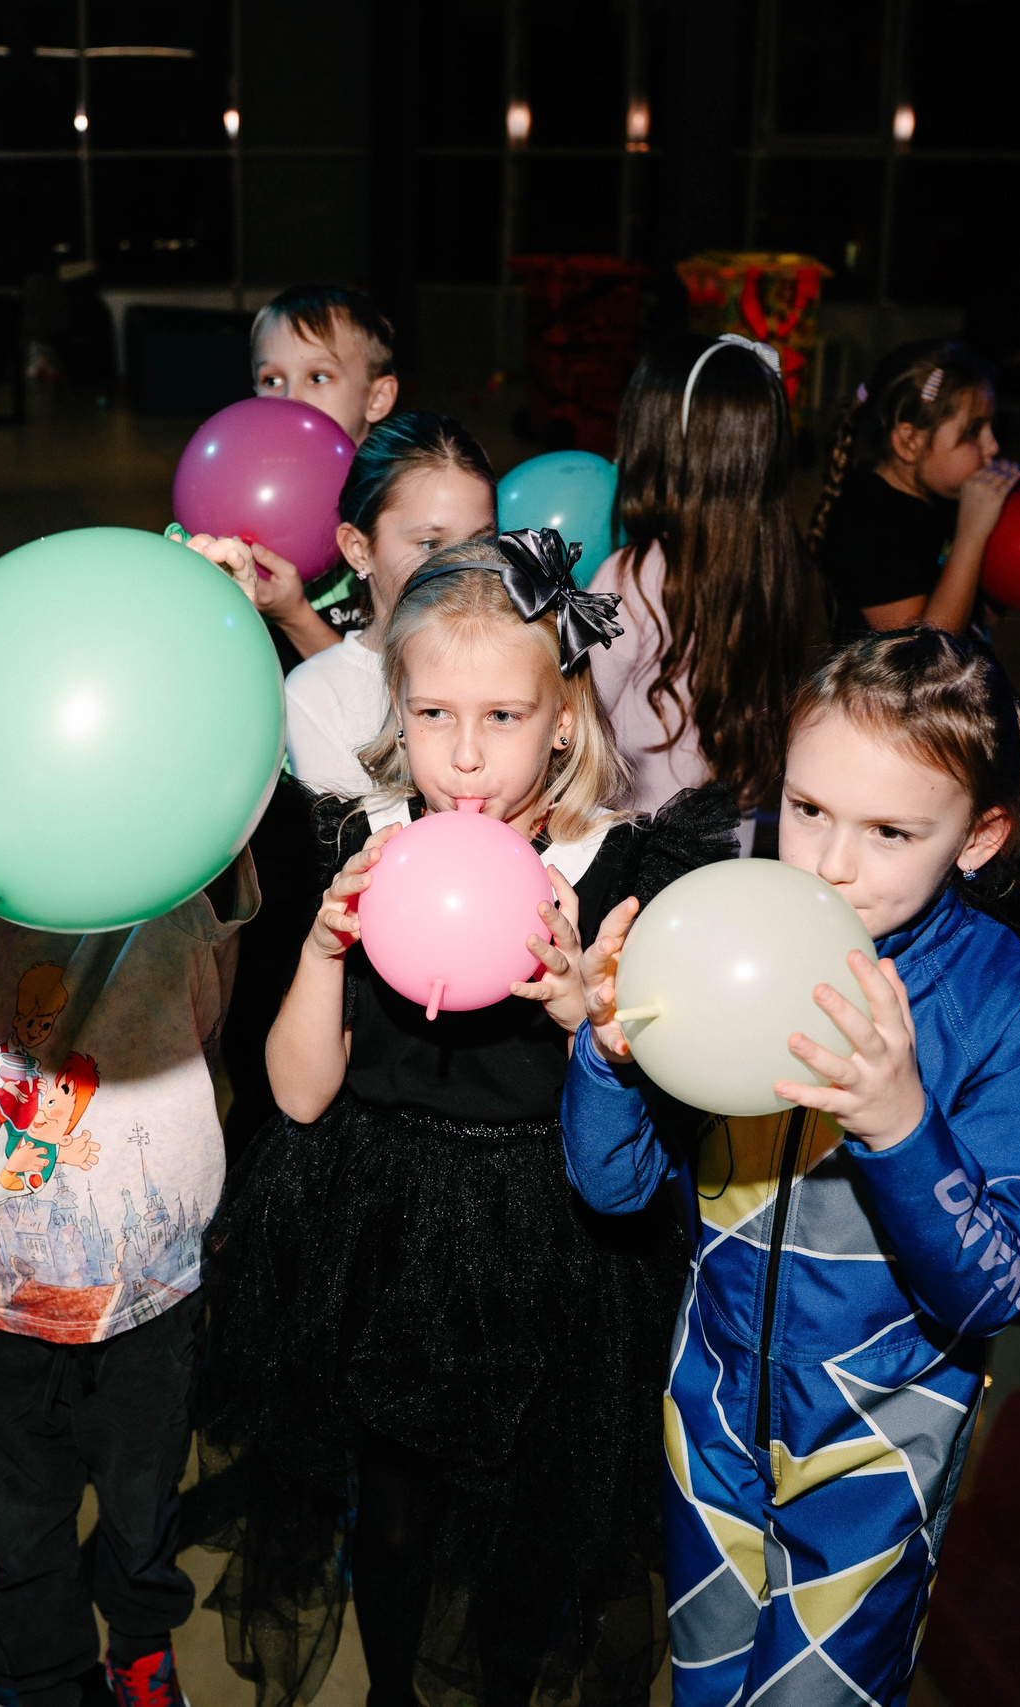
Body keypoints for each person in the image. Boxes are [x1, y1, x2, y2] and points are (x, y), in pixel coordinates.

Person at [197, 531, 733, 1707]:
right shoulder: (367, 848)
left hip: (551, 1239)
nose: (465, 756)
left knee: (529, 1538)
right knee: (390, 1523)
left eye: (501, 716)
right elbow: (295, 1093)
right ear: (396, 706)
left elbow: (655, 1111)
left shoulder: (617, 871)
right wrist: (326, 950)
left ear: (561, 717)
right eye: (434, 714)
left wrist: (573, 1010)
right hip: (381, 1221)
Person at [557, 627, 1020, 1707]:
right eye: (807, 811)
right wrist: (608, 1051)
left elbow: (995, 1288)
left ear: (978, 836)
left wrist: (899, 1123)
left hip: (874, 1455)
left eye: (891, 830)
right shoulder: (724, 933)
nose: (833, 863)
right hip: (703, 1423)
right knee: (704, 1692)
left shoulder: (1012, 1005)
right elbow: (611, 1189)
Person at [0, 777, 258, 1707]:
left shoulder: (186, 868)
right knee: (19, 1525)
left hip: (148, 1293)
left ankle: (139, 1654)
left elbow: (208, 1024)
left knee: (140, 1511)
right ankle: (43, 1680)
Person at [590, 333, 817, 819]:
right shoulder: (779, 567)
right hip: (725, 841)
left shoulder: (631, 577)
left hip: (633, 850)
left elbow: (572, 718)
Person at [281, 413, 497, 797]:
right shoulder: (317, 695)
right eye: (430, 544)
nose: (461, 565)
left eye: (479, 541)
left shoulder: (524, 665)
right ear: (359, 549)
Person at [203, 285, 402, 670]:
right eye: (272, 380)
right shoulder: (232, 492)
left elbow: (389, 700)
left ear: (376, 399)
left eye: (318, 377)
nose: (290, 399)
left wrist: (292, 615)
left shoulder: (396, 519)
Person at [808, 339, 1020, 644]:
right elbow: (922, 654)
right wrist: (971, 535)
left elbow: (982, 620)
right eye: (973, 431)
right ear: (910, 441)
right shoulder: (867, 524)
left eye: (991, 427)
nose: (994, 446)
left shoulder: (947, 500)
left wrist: (1003, 540)